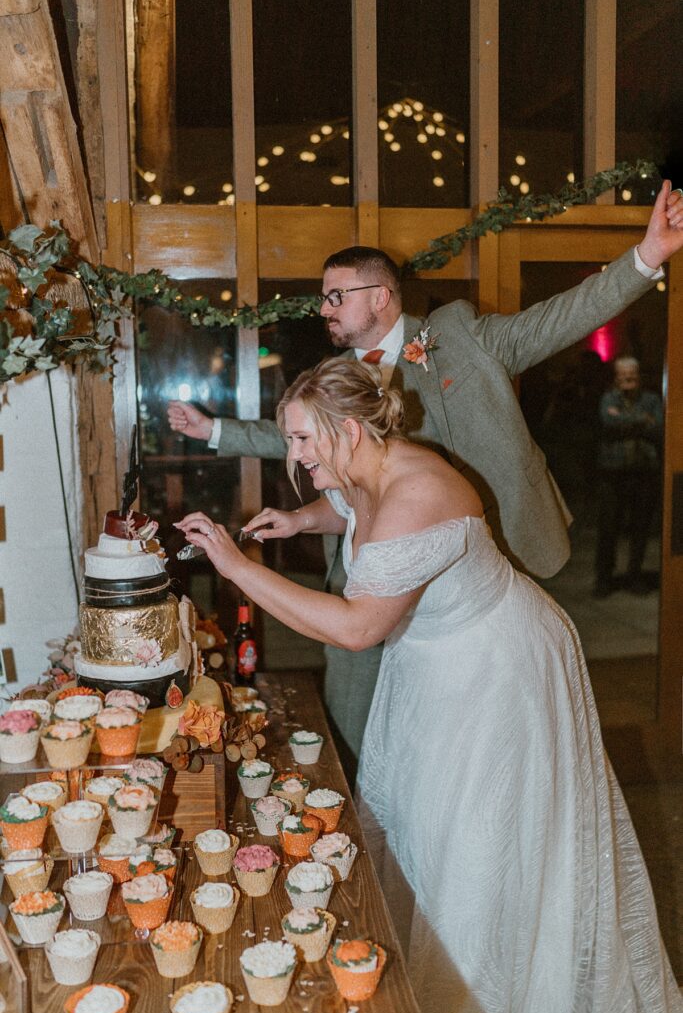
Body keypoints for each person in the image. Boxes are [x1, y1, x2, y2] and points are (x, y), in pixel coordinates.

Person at [175, 358, 682, 1013]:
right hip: (435, 659)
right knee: (423, 819)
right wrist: (301, 523)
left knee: (478, 836)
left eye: (303, 439)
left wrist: (237, 569)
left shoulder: (416, 493)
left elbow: (358, 629)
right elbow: (350, 508)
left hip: (497, 666)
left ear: (350, 429)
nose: (295, 456)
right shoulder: (370, 464)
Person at [168, 181, 683, 762]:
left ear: (382, 296)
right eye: (324, 297)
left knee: (471, 727)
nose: (324, 308)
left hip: (480, 559)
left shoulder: (462, 336)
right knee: (356, 707)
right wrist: (212, 430)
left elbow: (559, 318)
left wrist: (647, 259)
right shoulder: (335, 374)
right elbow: (294, 437)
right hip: (377, 562)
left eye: (337, 295)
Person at [593, 356, 663, 597]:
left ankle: (635, 576)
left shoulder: (652, 400)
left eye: (632, 373)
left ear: (639, 375)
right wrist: (642, 420)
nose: (628, 378)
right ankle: (604, 579)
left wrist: (623, 421)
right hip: (613, 474)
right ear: (616, 377)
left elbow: (659, 428)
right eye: (623, 374)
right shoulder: (608, 399)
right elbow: (607, 422)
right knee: (608, 528)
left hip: (643, 473)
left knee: (640, 527)